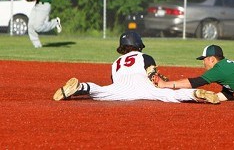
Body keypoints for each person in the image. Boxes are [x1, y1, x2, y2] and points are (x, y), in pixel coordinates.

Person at [53, 31, 219, 104]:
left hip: (119, 90)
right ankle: (196, 93)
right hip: (143, 88)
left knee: (100, 91)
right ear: (138, 45)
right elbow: (152, 76)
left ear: (123, 47)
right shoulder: (144, 56)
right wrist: (160, 80)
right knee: (169, 95)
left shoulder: (115, 63)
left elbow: (115, 81)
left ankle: (81, 86)